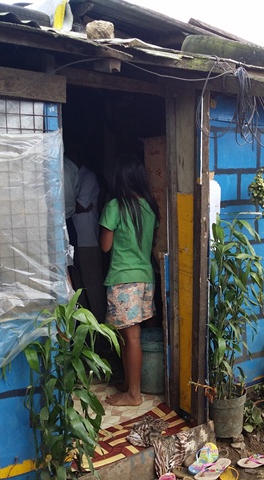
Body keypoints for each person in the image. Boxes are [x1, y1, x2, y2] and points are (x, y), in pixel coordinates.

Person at [100, 153, 159, 406]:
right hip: (145, 277)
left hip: (124, 279)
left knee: (130, 336)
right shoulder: (150, 206)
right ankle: (128, 383)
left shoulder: (115, 206)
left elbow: (105, 246)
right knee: (128, 335)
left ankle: (134, 394)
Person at [67, 144, 106, 321]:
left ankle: (100, 326)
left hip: (87, 239)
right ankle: (85, 324)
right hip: (74, 239)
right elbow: (76, 206)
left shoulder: (88, 176)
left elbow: (78, 205)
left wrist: (70, 204)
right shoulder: (71, 176)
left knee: (92, 284)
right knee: (77, 285)